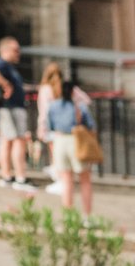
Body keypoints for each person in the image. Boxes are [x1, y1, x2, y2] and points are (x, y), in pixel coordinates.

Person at [38, 62, 96, 213]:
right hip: (76, 140)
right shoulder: (79, 107)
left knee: (66, 180)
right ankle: (87, 215)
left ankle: (68, 215)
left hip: (59, 140)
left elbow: (48, 123)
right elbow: (91, 124)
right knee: (85, 180)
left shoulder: (53, 105)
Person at [0, 36, 37, 191]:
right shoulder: (1, 63)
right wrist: (6, 84)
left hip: (10, 107)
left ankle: (7, 176)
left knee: (8, 141)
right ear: (5, 50)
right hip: (11, 108)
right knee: (18, 140)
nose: (18, 53)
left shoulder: (8, 66)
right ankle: (20, 178)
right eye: (15, 50)